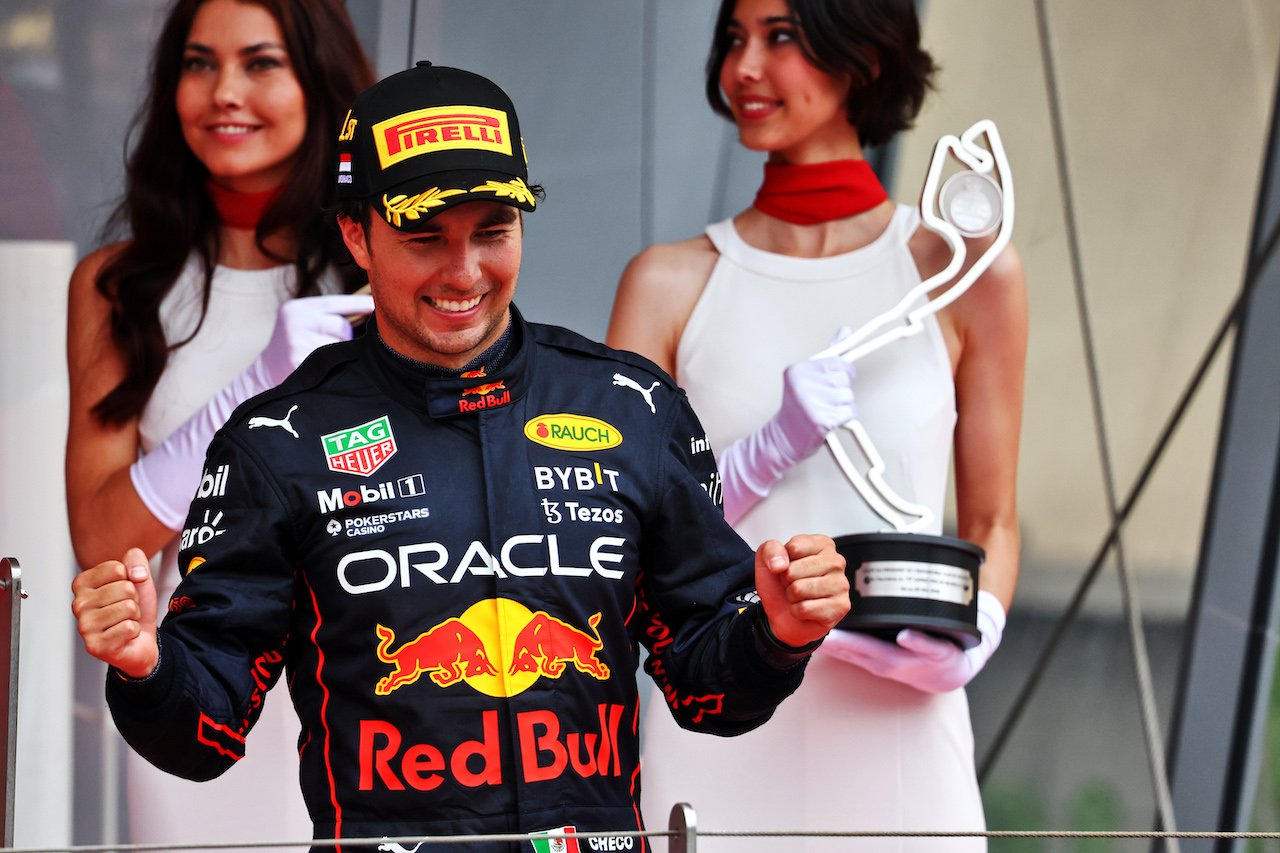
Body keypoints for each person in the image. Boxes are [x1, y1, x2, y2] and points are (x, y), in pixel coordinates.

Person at [70, 62, 851, 851]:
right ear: (356, 235)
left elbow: (707, 688)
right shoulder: (278, 442)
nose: (465, 272)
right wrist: (146, 665)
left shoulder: (630, 406)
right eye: (425, 238)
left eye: (492, 231)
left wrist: (777, 630)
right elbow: (205, 732)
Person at [607, 0, 1027, 849]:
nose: (744, 69)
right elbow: (620, 533)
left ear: (864, 57)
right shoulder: (666, 283)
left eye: (782, 37)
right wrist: (768, 449)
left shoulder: (964, 273)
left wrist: (976, 631)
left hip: (902, 730)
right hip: (719, 723)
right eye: (734, 39)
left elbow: (993, 522)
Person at [65, 0, 374, 845]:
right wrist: (257, 390)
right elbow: (99, 536)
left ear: (318, 80)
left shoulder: (387, 266)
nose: (223, 92)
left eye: (260, 62)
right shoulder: (117, 285)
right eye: (199, 63)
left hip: (374, 681)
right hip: (195, 681)